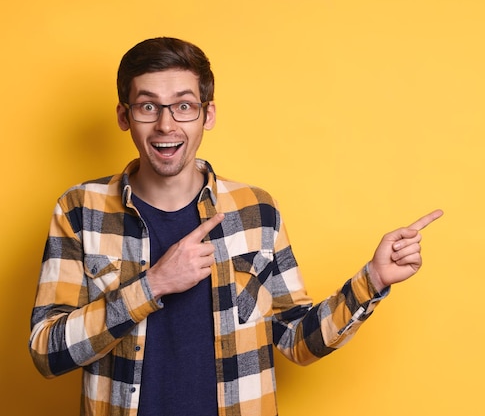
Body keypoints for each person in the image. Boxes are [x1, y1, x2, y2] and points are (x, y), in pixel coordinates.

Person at [29, 37, 443, 416]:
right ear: (124, 115)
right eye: (148, 106)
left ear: (207, 115)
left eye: (184, 106)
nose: (167, 125)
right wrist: (152, 285)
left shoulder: (255, 210)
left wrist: (372, 280)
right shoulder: (80, 209)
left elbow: (297, 341)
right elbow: (47, 351)